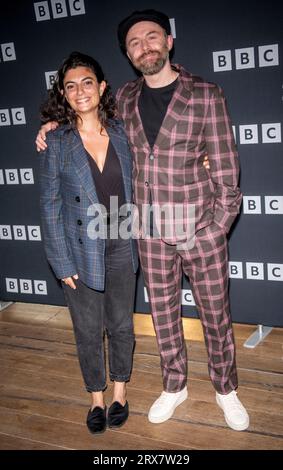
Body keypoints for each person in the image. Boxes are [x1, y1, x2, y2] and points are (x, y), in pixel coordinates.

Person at [36, 10, 249, 432]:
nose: (144, 46)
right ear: (129, 55)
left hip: (200, 229)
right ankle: (175, 386)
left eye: (152, 37)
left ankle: (226, 390)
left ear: (169, 42)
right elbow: (86, 126)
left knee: (216, 316)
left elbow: (226, 170)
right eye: (134, 43)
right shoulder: (127, 100)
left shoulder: (206, 94)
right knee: (163, 316)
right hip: (147, 232)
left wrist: (215, 229)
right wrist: (52, 125)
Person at [38, 51, 138, 434]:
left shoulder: (123, 132)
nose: (80, 91)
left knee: (121, 325)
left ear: (101, 87)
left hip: (122, 241)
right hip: (80, 247)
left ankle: (120, 393)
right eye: (70, 85)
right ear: (63, 94)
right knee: (87, 328)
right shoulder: (57, 142)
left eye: (86, 82)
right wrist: (61, 263)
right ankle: (96, 397)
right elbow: (49, 206)